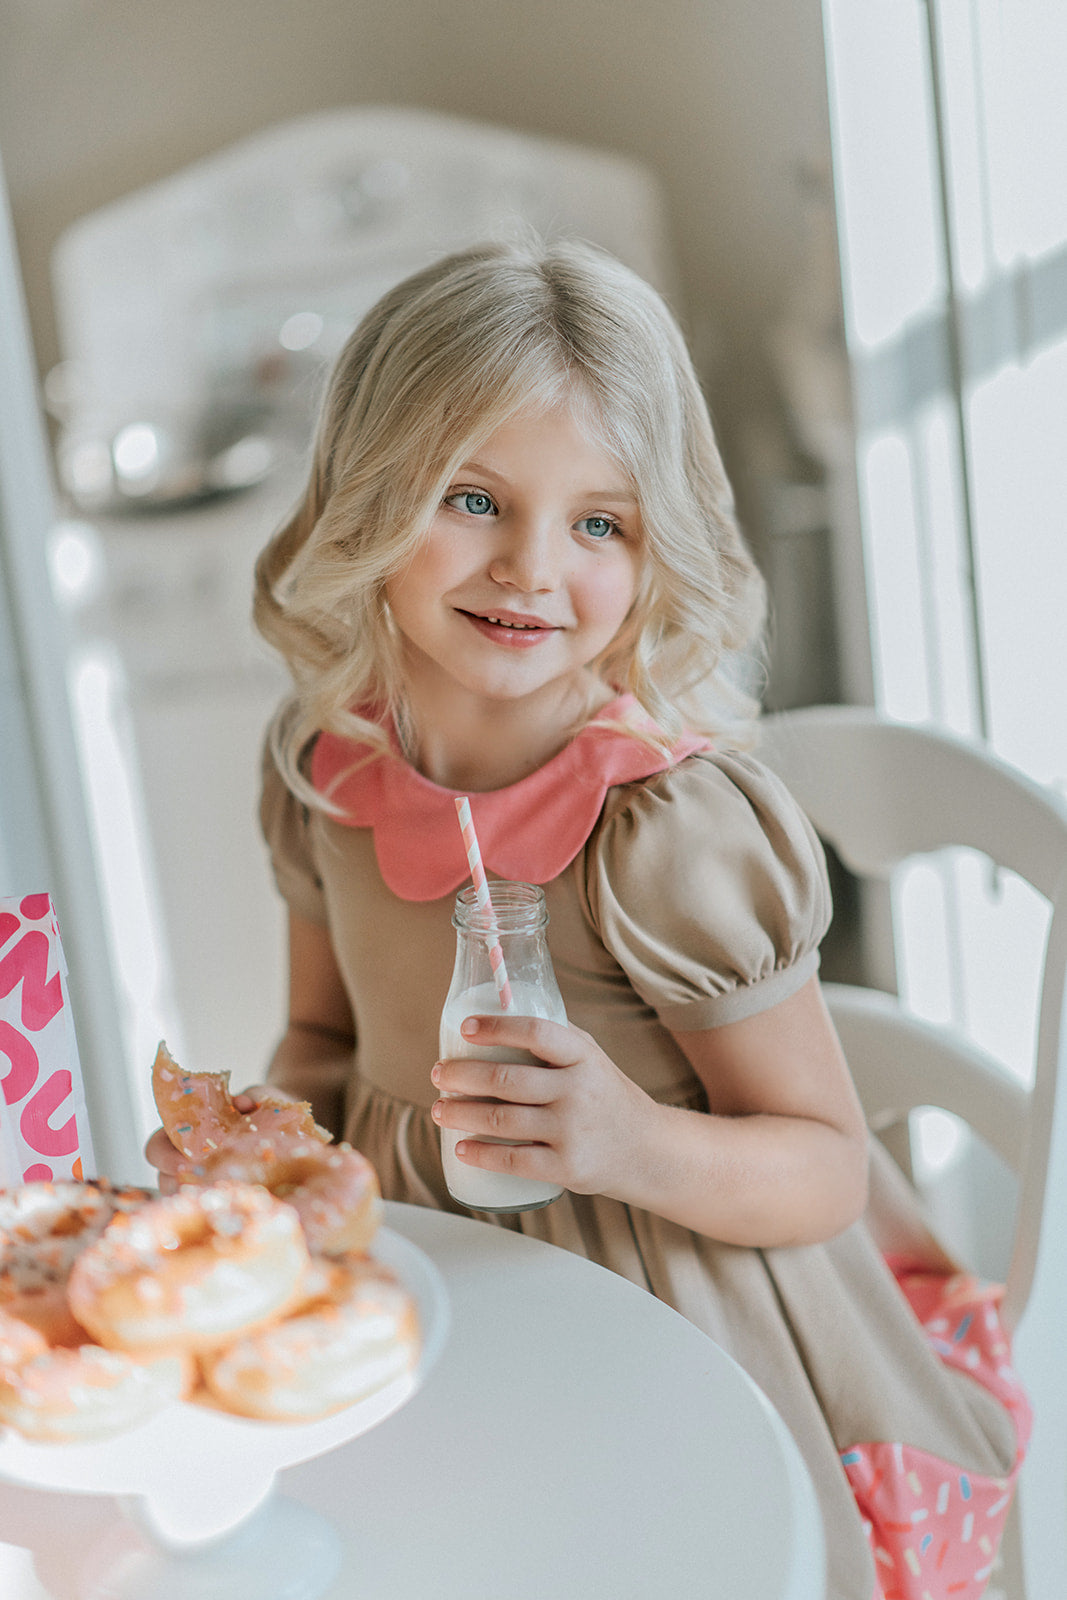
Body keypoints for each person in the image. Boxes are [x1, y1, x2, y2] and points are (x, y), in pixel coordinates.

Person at [147, 236, 1028, 1599]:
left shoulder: (665, 835)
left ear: (654, 542)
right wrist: (259, 1166)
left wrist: (626, 1139)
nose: (532, 569)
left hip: (685, 1327)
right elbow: (320, 1046)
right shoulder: (326, 773)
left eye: (599, 523)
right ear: (369, 499)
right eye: (474, 498)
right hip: (438, 1303)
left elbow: (825, 1168)